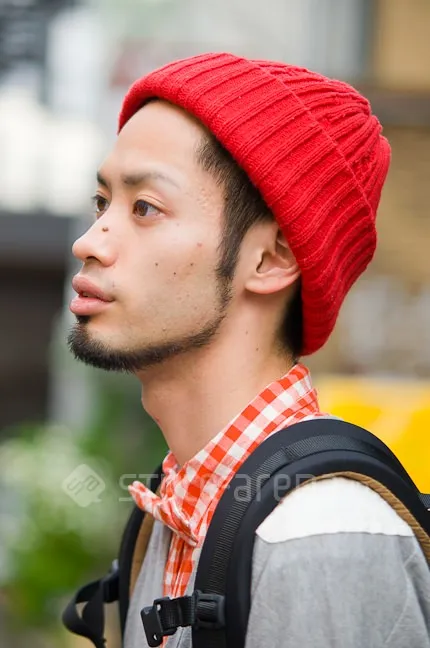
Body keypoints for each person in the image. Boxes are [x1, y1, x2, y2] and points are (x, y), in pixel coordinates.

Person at [67, 53, 430, 647]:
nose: (90, 242)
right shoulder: (172, 511)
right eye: (102, 203)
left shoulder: (321, 538)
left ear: (271, 259)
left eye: (145, 208)